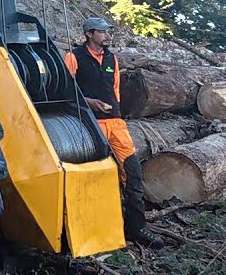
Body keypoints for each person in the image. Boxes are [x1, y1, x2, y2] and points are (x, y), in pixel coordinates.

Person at [63, 17, 165, 249]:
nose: (106, 36)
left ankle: (136, 227)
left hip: (115, 123)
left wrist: (115, 110)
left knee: (132, 173)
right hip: (88, 122)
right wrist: (90, 103)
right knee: (95, 175)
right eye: (102, 32)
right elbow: (67, 89)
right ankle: (90, 228)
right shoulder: (74, 56)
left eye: (107, 32)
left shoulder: (111, 58)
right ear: (89, 34)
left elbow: (115, 88)